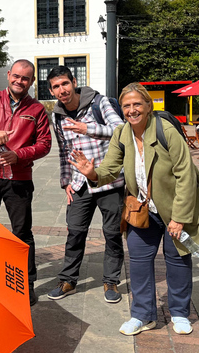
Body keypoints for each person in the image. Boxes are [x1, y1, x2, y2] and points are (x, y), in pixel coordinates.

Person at [70, 83, 199, 336]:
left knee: (178, 261)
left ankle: (180, 313)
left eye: (137, 104)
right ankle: (143, 315)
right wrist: (92, 173)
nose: (132, 110)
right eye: (127, 106)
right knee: (139, 262)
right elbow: (110, 168)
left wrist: (180, 218)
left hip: (175, 208)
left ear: (148, 106)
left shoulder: (166, 131)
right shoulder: (121, 133)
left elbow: (185, 174)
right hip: (143, 209)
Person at [0, 59, 52, 306]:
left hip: (18, 178)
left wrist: (19, 155)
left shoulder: (37, 109)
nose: (20, 81)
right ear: (9, 75)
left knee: (22, 234)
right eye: (16, 76)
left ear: (31, 81)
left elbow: (44, 144)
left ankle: (26, 285)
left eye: (25, 78)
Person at [46, 66, 125, 304]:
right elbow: (64, 151)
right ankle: (68, 280)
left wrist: (87, 128)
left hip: (108, 180)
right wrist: (66, 181)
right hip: (80, 183)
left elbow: (121, 129)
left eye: (65, 84)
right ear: (51, 91)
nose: (62, 90)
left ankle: (110, 282)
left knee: (111, 234)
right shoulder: (57, 114)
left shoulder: (99, 103)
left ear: (74, 82)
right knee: (75, 232)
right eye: (56, 87)